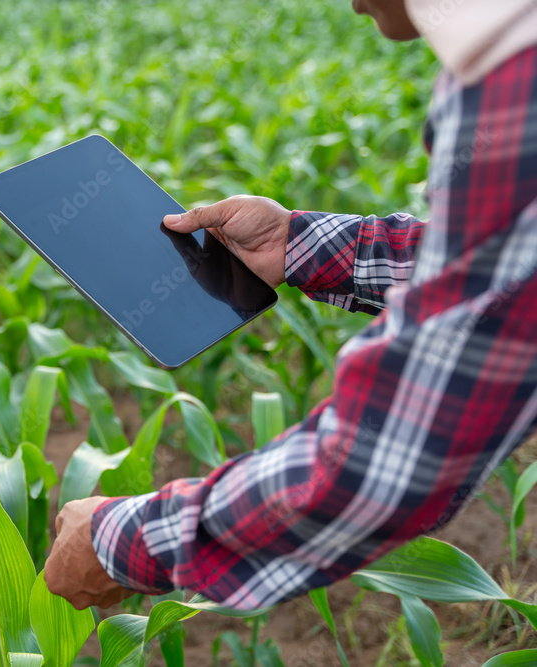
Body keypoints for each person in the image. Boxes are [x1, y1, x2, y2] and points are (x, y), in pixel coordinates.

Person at [45, 0, 537, 611]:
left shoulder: (517, 88)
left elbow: (389, 460)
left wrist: (121, 542)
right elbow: (509, 275)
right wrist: (299, 244)